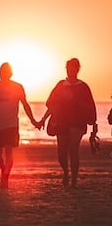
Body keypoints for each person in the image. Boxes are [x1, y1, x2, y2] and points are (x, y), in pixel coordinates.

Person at [39, 58, 97, 187]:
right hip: (61, 122)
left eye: (74, 67)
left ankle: (74, 179)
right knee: (61, 153)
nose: (71, 70)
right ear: (67, 69)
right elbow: (52, 105)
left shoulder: (83, 87)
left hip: (78, 123)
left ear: (78, 69)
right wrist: (43, 119)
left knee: (73, 149)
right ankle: (66, 172)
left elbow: (91, 106)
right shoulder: (60, 85)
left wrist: (93, 126)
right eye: (69, 67)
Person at [0, 62, 39, 188]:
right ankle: (4, 169)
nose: (4, 74)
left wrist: (33, 120)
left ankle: (6, 176)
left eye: (7, 72)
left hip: (11, 124)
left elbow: (25, 104)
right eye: (2, 71)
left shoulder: (17, 87)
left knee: (9, 152)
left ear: (10, 73)